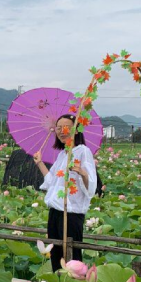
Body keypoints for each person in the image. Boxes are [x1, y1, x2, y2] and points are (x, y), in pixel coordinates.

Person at [34, 114, 97, 272]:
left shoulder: (83, 151)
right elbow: (51, 182)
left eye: (66, 127)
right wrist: (39, 162)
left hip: (71, 213)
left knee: (72, 257)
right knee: (56, 254)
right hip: (55, 212)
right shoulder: (63, 154)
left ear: (76, 130)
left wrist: (82, 173)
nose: (62, 131)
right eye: (59, 128)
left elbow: (91, 187)